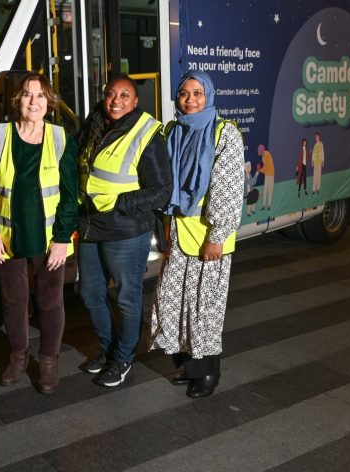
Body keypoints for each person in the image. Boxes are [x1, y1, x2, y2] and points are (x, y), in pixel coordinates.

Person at [0, 73, 78, 394]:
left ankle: (48, 362)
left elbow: (69, 194)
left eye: (40, 96)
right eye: (27, 95)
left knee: (50, 302)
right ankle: (18, 357)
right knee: (14, 300)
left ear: (49, 103)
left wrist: (62, 238)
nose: (33, 102)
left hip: (49, 240)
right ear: (17, 100)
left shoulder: (61, 138)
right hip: (7, 237)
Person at [151, 71, 244, 398]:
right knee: (173, 304)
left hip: (209, 237)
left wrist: (217, 235)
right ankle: (188, 366)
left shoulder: (224, 133)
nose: (190, 99)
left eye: (197, 93)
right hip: (179, 233)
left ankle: (208, 374)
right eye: (184, 93)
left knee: (204, 308)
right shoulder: (173, 130)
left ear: (210, 96)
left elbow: (229, 188)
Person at [77, 74, 171, 387]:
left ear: (135, 100)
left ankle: (124, 358)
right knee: (90, 294)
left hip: (126, 229)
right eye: (111, 94)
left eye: (124, 95)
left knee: (128, 299)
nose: (116, 101)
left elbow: (161, 190)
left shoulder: (145, 132)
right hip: (90, 224)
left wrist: (120, 204)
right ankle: (108, 350)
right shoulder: (94, 122)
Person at [256, 143, 274, 209]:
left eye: (259, 150)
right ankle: (264, 205)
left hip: (270, 175)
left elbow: (266, 167)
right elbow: (265, 167)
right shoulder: (263, 156)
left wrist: (259, 170)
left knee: (270, 190)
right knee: (266, 189)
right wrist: (260, 169)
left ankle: (269, 205)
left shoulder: (266, 154)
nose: (258, 152)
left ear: (261, 150)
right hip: (267, 175)